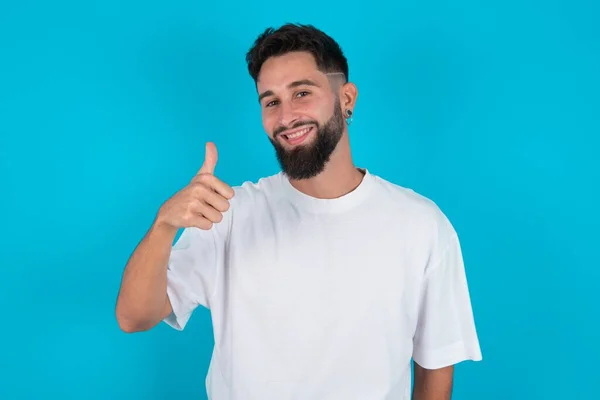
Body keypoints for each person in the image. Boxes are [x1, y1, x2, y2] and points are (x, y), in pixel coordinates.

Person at [115, 23, 482, 400]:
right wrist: (164, 226)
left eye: (302, 93)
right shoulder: (228, 213)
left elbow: (436, 367)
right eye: (271, 101)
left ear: (346, 98)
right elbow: (134, 316)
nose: (286, 116)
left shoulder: (421, 224)